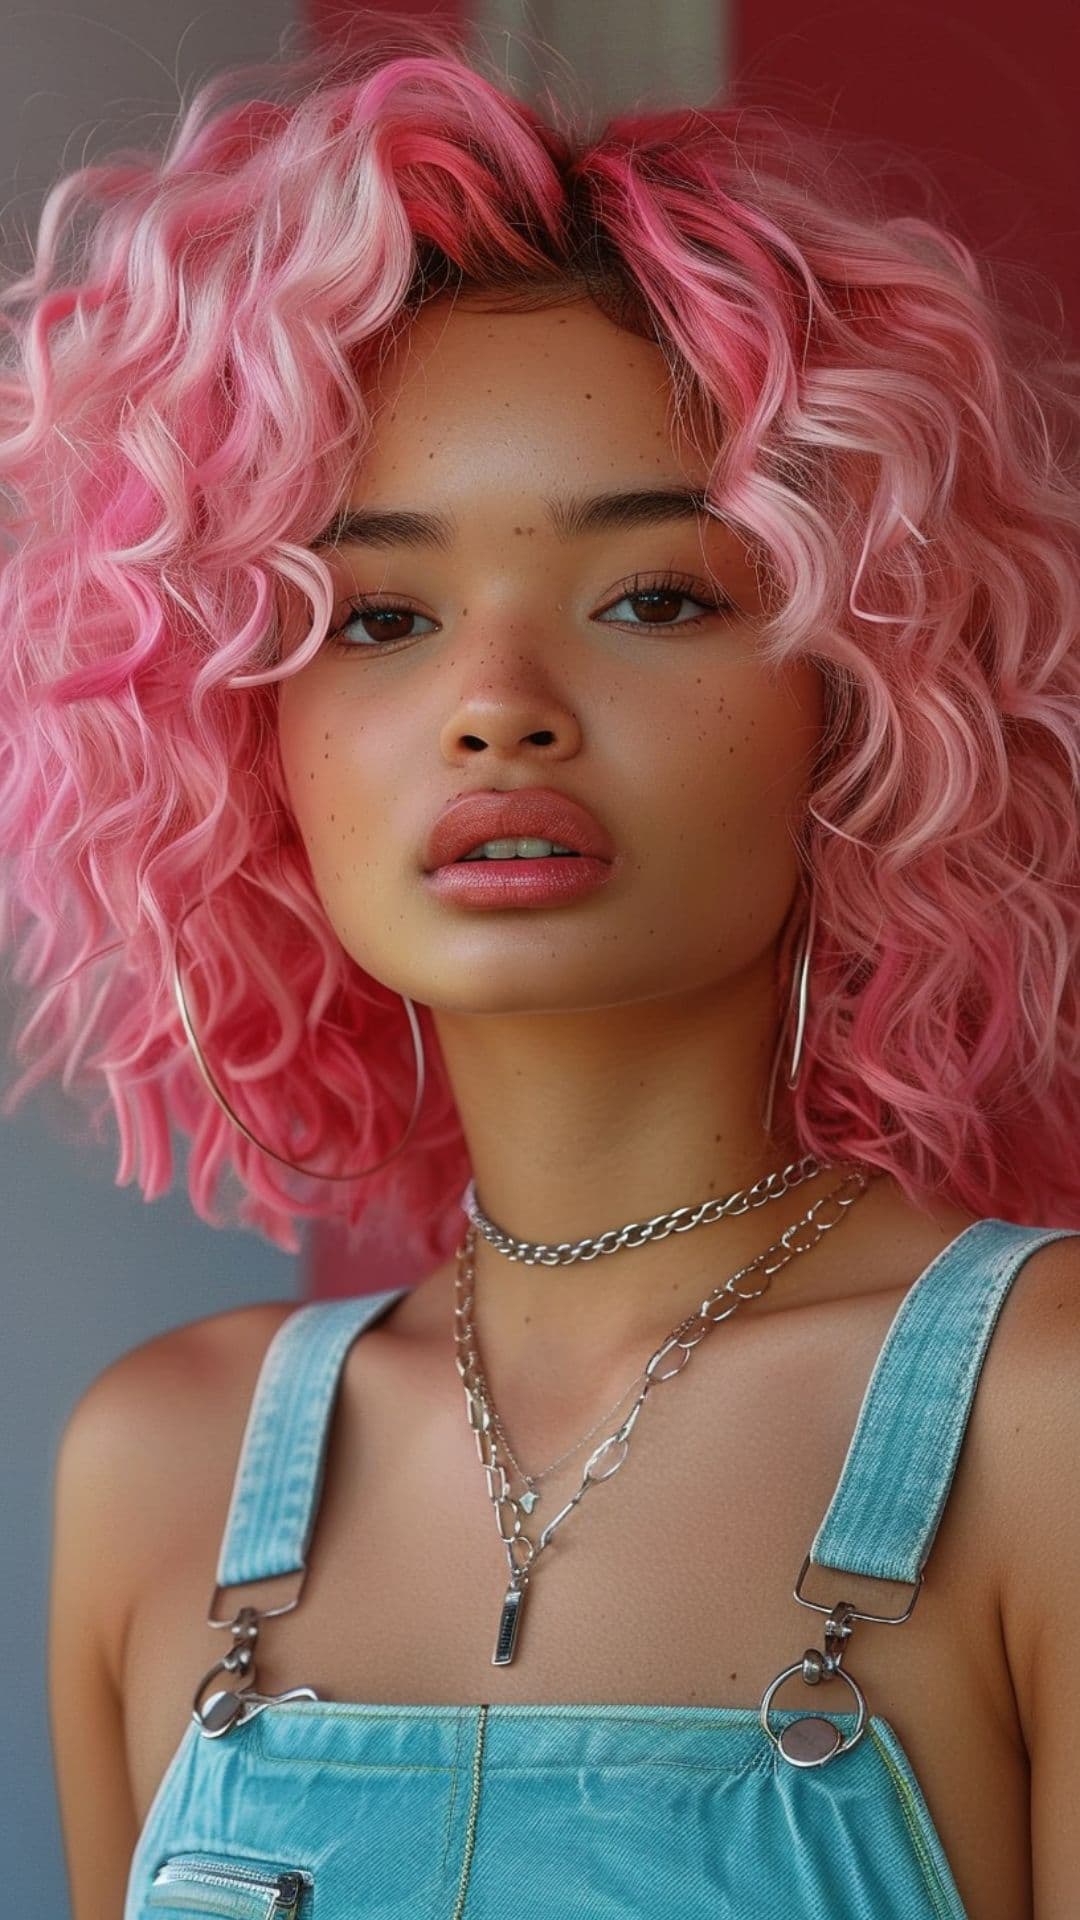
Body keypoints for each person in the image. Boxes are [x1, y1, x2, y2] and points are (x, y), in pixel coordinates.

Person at [2, 16, 1079, 1919]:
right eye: (382, 616)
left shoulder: (1048, 1418)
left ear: (863, 692)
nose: (498, 711)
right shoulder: (156, 1469)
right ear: (234, 724)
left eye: (654, 597)